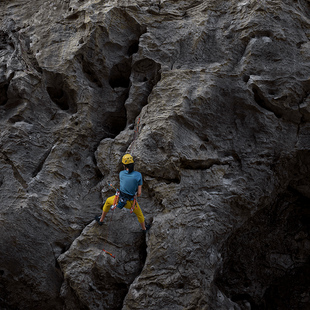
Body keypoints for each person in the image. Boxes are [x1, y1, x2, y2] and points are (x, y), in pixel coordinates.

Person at [95, 154, 150, 231]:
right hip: (131, 203)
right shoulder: (138, 175)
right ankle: (144, 228)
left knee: (107, 201)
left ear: (124, 165)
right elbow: (139, 193)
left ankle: (101, 220)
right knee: (140, 214)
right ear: (133, 164)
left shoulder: (121, 173)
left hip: (119, 200)